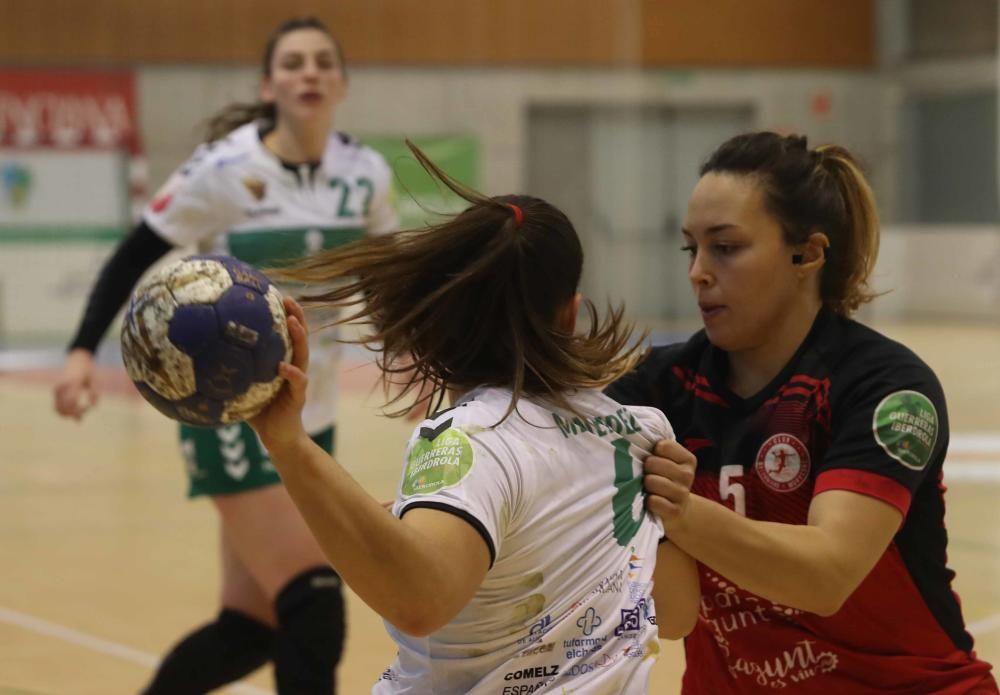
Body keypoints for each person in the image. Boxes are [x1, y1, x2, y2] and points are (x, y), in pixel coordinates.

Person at [246, 142, 702, 694]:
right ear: (569, 314)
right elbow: (676, 615)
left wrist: (288, 444)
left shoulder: (467, 439)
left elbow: (420, 600)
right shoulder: (642, 433)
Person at [52, 17, 398, 694]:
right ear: (270, 84)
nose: (310, 73)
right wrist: (78, 353)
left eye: (323, 62)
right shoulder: (223, 170)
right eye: (293, 63)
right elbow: (134, 254)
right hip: (229, 406)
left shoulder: (366, 174)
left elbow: (388, 274)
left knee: (254, 625)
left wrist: (414, 350)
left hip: (309, 407)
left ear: (341, 83)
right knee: (314, 603)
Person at [607, 131, 998, 693]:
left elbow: (825, 574)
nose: (698, 272)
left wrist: (682, 513)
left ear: (807, 253)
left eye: (726, 247)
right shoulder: (657, 389)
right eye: (691, 248)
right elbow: (671, 617)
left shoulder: (887, 388)